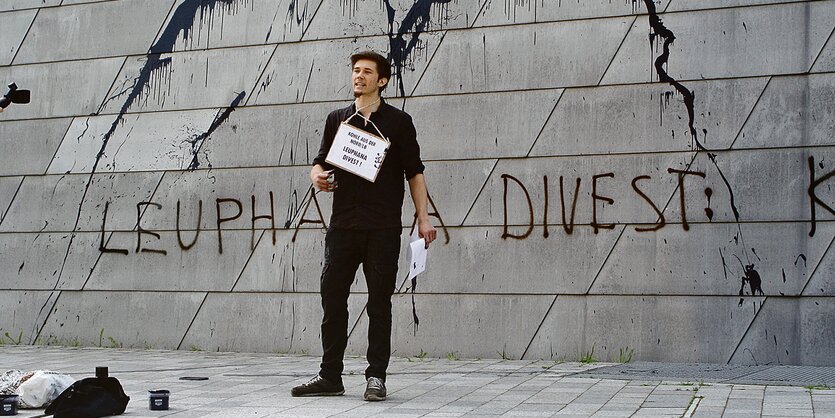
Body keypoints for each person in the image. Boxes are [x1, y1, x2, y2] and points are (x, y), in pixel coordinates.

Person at [291, 50, 436, 401]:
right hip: (342, 226)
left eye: (367, 72)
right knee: (332, 298)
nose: (359, 76)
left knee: (378, 303)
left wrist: (423, 216)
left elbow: (414, 171)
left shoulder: (399, 122)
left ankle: (376, 377)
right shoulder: (337, 119)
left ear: (381, 80)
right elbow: (318, 163)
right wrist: (318, 178)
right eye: (355, 71)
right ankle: (330, 376)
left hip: (383, 227)